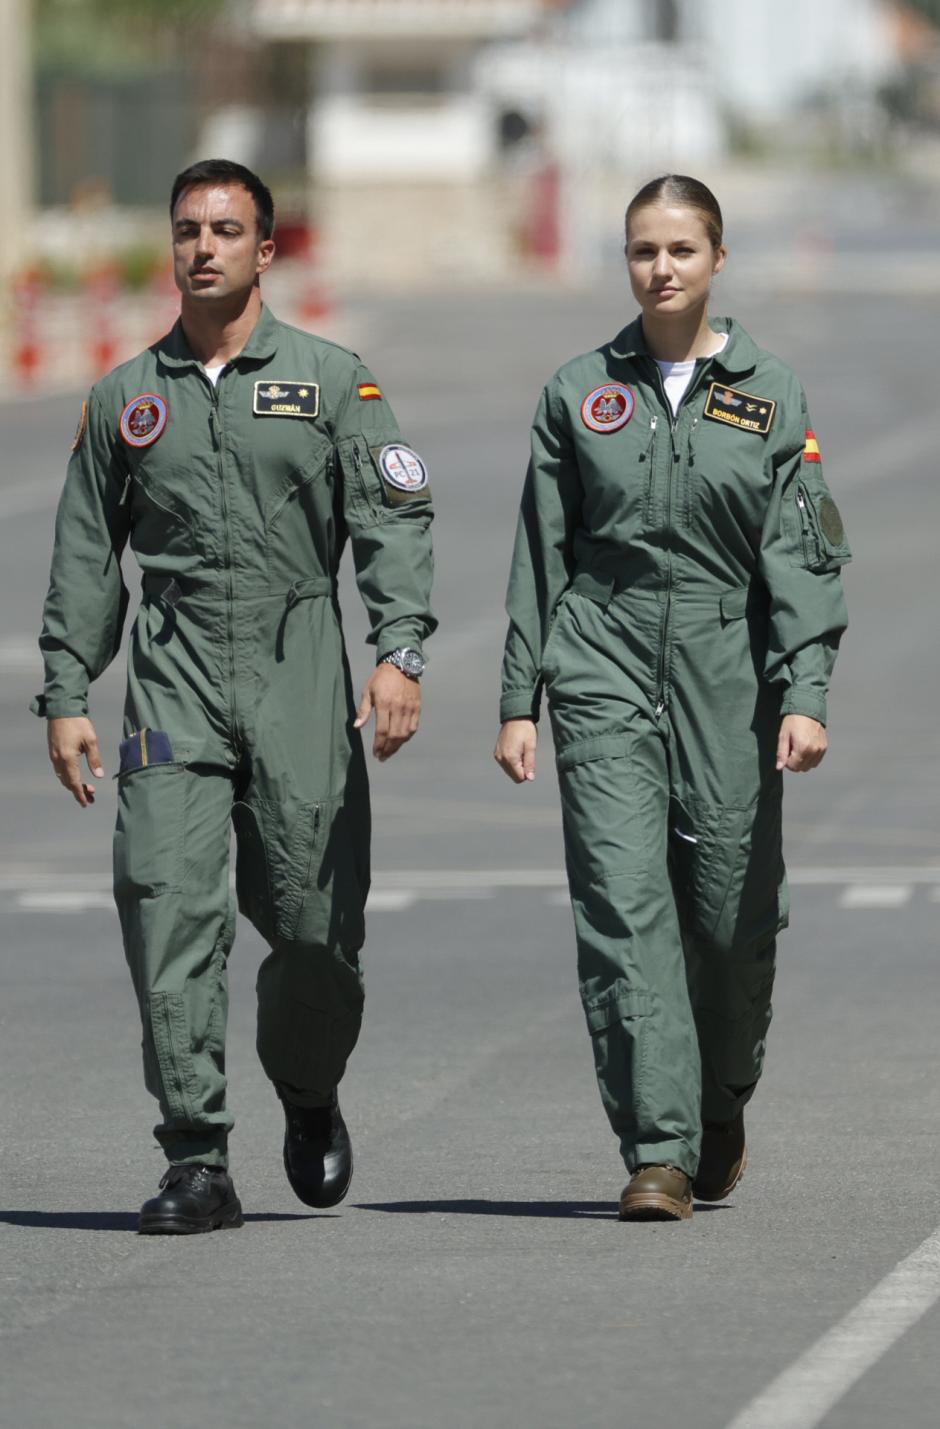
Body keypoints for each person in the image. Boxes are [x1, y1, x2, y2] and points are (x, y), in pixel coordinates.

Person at [33, 159, 435, 1234]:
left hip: (298, 663)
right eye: (187, 229)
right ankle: (196, 1157)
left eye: (225, 229)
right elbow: (86, 553)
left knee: (312, 927)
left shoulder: (333, 379)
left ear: (265, 250)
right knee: (165, 902)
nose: (202, 246)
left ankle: (308, 1087)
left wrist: (399, 651)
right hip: (174, 674)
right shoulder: (125, 399)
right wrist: (66, 688)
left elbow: (392, 518)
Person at [494, 175, 850, 1221]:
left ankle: (718, 1100)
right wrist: (520, 697)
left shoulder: (769, 392)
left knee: (729, 917)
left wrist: (805, 689)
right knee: (622, 904)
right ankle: (656, 1149)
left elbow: (802, 553)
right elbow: (540, 551)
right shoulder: (578, 392)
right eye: (643, 250)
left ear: (718, 259)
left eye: (682, 249)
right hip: (600, 659)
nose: (661, 268)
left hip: (727, 669)